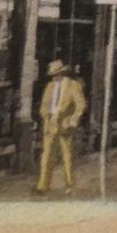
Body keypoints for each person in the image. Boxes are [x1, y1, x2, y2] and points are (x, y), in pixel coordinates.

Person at [36, 58, 86, 194]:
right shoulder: (50, 87)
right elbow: (44, 105)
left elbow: (80, 104)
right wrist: (45, 115)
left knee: (67, 156)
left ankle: (70, 184)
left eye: (56, 74)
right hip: (51, 123)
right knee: (46, 155)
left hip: (65, 124)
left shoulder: (72, 85)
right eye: (52, 75)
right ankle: (43, 186)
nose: (54, 77)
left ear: (62, 74)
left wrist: (73, 118)